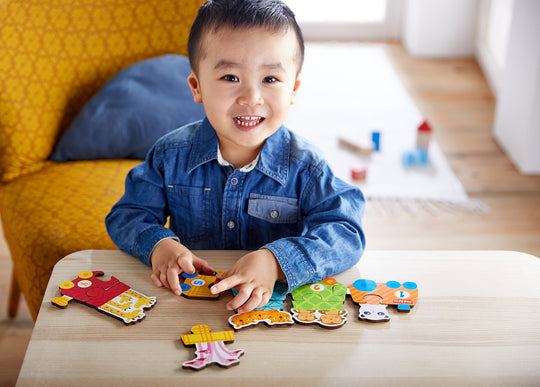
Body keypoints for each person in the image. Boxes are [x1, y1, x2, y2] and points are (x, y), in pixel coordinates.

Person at [105, 0, 365, 314]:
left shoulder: (307, 167)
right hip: (189, 309)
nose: (251, 98)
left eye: (270, 79)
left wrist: (276, 261)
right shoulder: (168, 156)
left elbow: (345, 231)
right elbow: (127, 214)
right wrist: (160, 245)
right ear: (196, 86)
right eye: (230, 77)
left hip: (272, 312)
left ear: (294, 90)